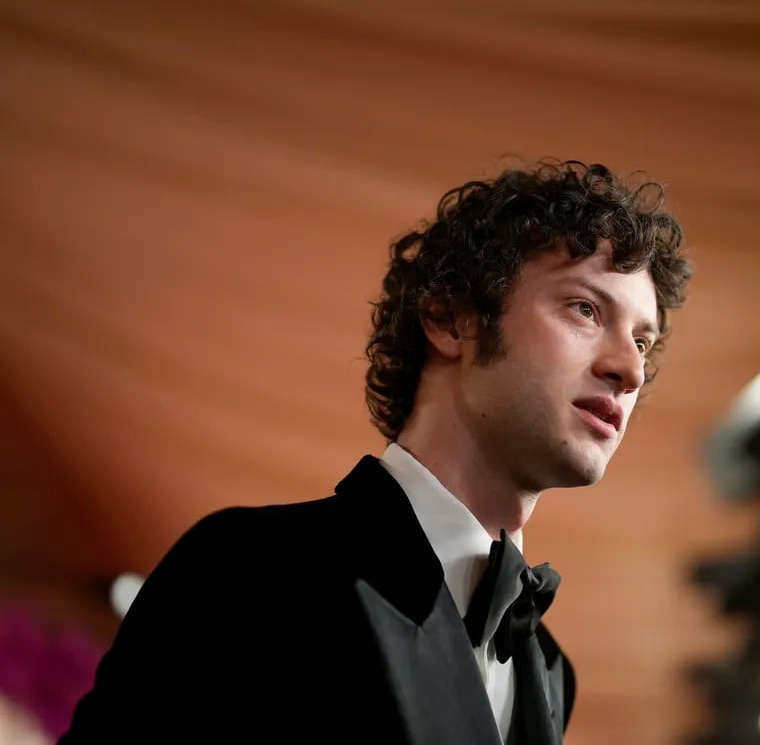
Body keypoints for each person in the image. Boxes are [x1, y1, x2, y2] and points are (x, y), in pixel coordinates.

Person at [58, 158, 692, 744]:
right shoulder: (253, 567)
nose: (629, 371)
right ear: (451, 321)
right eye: (585, 309)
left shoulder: (552, 670)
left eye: (642, 343)